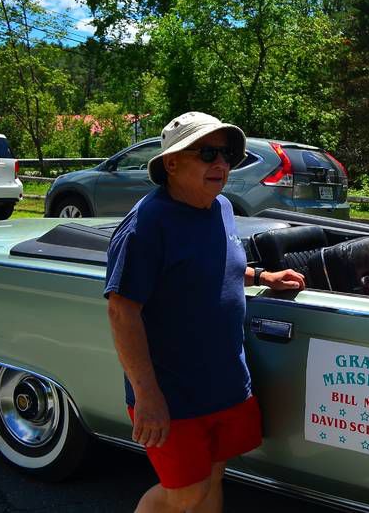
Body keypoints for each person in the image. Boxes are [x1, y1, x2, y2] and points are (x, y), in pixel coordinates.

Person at [104, 112, 305, 513]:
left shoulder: (222, 208)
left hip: (225, 384)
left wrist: (263, 275)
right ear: (172, 162)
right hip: (172, 395)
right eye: (208, 153)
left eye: (227, 154)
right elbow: (122, 312)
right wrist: (147, 396)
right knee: (184, 492)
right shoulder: (147, 224)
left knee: (213, 477)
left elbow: (218, 266)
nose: (222, 165)